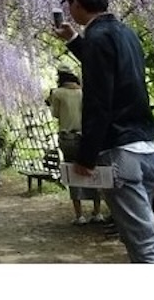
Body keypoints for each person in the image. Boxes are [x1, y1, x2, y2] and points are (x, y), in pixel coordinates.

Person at [54, 0, 154, 263]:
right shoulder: (125, 32)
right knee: (143, 241)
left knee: (146, 248)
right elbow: (113, 70)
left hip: (122, 155)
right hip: (149, 150)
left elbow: (99, 102)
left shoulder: (96, 37)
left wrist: (86, 156)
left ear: (74, 2)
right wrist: (73, 40)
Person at [46, 64, 104, 225]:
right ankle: (97, 212)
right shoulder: (83, 93)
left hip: (68, 138)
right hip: (87, 137)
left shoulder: (57, 93)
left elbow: (56, 114)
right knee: (93, 171)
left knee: (73, 174)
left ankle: (79, 215)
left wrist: (51, 101)